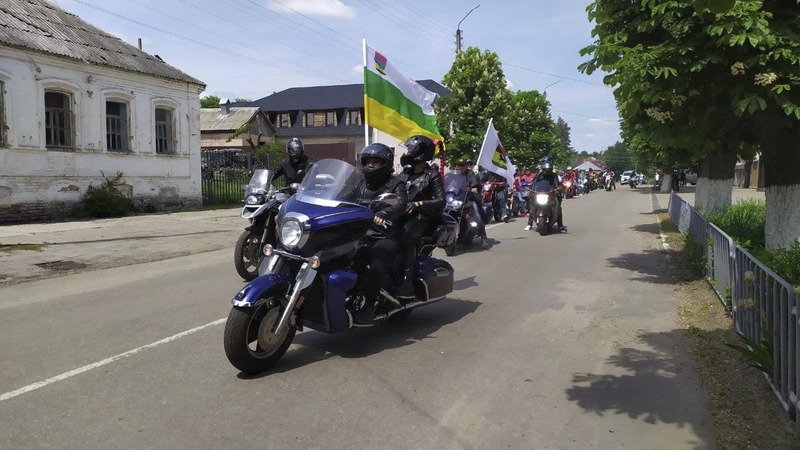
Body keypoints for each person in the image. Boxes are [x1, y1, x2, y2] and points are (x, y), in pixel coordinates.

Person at [343, 143, 408, 325]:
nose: (370, 165)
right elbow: (344, 196)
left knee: (377, 258)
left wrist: (384, 213)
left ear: (385, 163)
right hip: (361, 233)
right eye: (368, 161)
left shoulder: (396, 183)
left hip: (386, 235)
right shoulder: (360, 182)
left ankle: (369, 306)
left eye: (375, 162)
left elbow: (401, 204)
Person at [395, 135, 445, 299]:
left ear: (422, 153)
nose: (407, 152)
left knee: (405, 234)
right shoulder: (405, 174)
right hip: (402, 214)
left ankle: (406, 281)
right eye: (408, 149)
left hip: (422, 218)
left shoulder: (432, 175)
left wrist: (418, 204)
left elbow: (440, 200)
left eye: (411, 150)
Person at [525, 155, 565, 232]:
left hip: (551, 193)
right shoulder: (538, 175)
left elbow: (557, 183)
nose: (547, 171)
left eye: (548, 170)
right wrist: (531, 189)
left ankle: (560, 225)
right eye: (545, 170)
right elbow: (534, 183)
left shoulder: (554, 174)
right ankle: (529, 224)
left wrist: (558, 188)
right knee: (532, 205)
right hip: (540, 193)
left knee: (558, 206)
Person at [456, 160, 490, 249]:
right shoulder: (456, 175)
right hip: (459, 199)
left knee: (477, 214)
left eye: (462, 165)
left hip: (470, 198)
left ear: (466, 166)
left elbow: (474, 184)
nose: (460, 167)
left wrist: (472, 188)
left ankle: (483, 237)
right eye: (458, 165)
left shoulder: (471, 174)